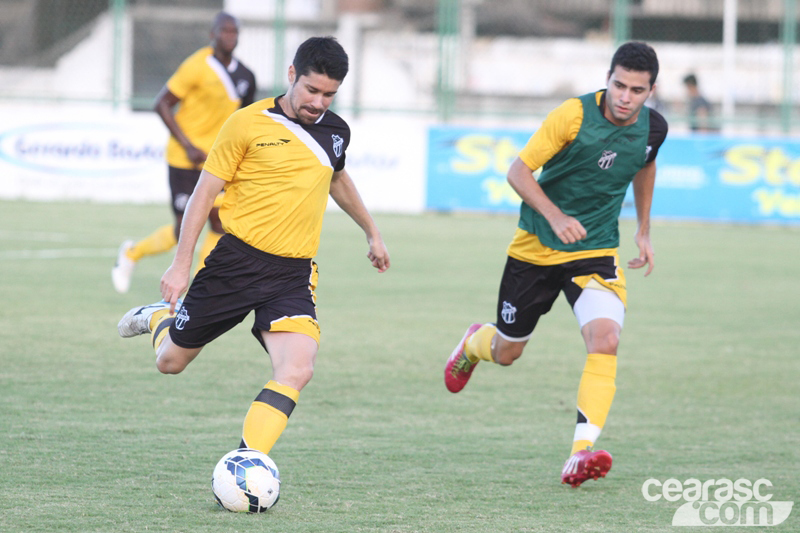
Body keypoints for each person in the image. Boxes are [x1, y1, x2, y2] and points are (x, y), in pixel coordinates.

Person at [118, 36, 390, 460]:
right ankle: (158, 317)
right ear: (291, 76)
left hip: (293, 275)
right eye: (311, 90)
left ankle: (248, 462)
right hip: (235, 263)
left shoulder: (336, 132)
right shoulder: (247, 123)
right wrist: (180, 265)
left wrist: (371, 232)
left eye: (329, 94)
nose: (319, 102)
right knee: (170, 362)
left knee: (298, 369)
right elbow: (203, 195)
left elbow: (337, 178)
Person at [444, 42, 668, 488]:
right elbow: (518, 172)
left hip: (595, 249)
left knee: (606, 339)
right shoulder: (573, 115)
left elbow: (644, 166)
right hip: (536, 247)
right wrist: (556, 216)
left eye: (636, 90)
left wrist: (643, 228)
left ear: (650, 90)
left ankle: (579, 453)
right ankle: (473, 344)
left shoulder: (654, 128)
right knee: (508, 351)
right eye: (619, 85)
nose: (625, 97)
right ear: (608, 78)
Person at [112, 12, 256, 294]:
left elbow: (247, 120)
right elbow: (162, 104)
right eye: (224, 31)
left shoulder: (246, 77)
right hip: (183, 159)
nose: (230, 36)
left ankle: (197, 289)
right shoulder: (196, 66)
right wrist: (188, 145)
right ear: (212, 34)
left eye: (234, 32)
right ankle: (132, 254)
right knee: (183, 230)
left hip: (217, 162)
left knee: (219, 221)